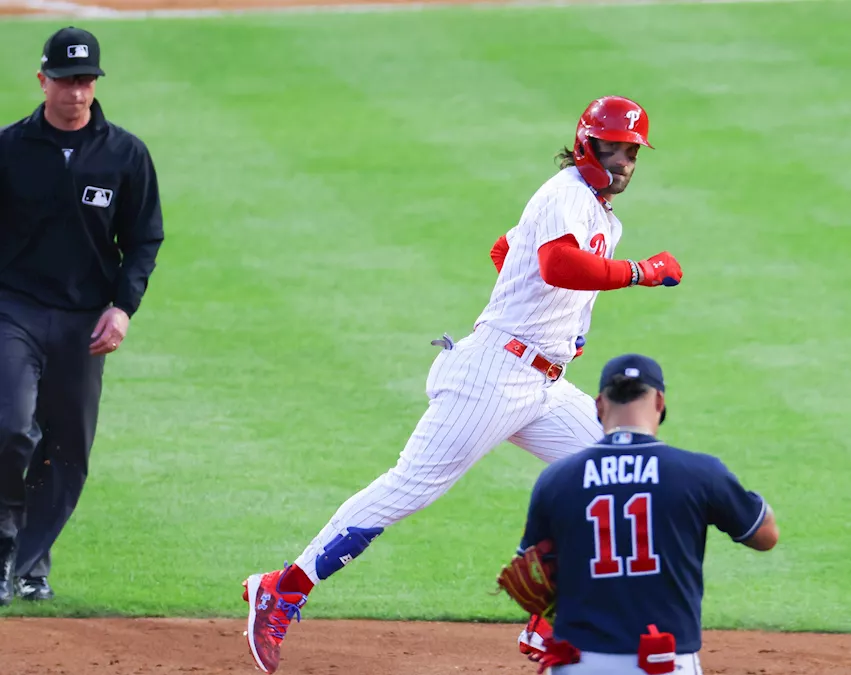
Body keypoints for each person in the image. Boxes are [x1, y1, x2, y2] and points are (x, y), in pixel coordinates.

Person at [242, 96, 685, 674]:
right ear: (585, 144)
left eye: (631, 150)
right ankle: (284, 587)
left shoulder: (602, 215)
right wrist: (641, 272)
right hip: (494, 375)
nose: (623, 160)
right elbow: (557, 266)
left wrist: (549, 318)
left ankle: (554, 615)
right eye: (613, 147)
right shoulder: (564, 194)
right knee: (409, 489)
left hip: (543, 383)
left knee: (626, 476)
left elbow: (511, 250)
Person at [0, 26, 165, 606]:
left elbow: (144, 239)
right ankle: (3, 546)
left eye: (86, 80)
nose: (76, 92)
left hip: (83, 321)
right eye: (66, 80)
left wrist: (122, 308)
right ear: (42, 80)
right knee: (8, 427)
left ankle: (29, 565)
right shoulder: (9, 148)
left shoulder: (125, 154)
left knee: (67, 450)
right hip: (13, 310)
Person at [499, 353, 779, 674]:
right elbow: (765, 536)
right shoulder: (699, 473)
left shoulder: (557, 479)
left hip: (581, 664)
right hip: (665, 665)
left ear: (599, 404)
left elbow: (533, 574)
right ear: (659, 401)